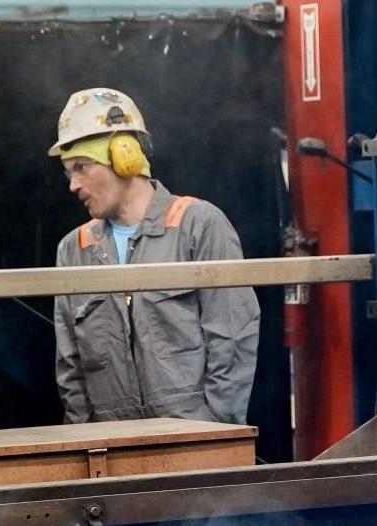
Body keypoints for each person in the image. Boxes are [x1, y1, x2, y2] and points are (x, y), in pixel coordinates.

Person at [49, 87, 257, 425]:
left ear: (124, 154)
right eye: (68, 172)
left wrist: (215, 431)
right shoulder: (75, 248)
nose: (73, 185)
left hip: (192, 437)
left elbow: (232, 338)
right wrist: (84, 442)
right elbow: (70, 365)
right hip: (110, 447)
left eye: (82, 167)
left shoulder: (197, 225)